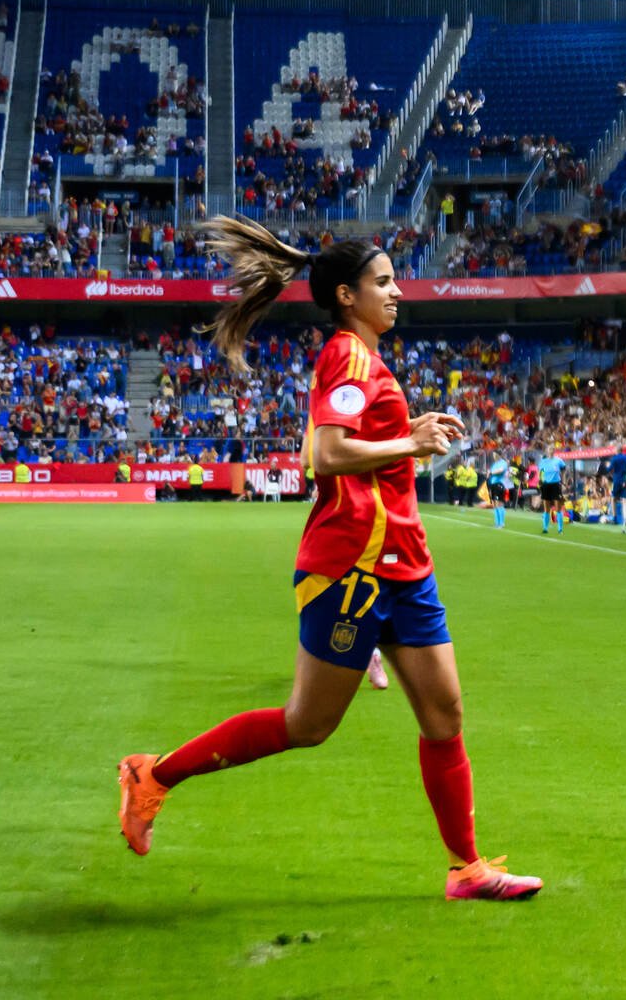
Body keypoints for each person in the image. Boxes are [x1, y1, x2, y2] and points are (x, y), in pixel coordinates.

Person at [116, 216, 540, 901]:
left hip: (405, 566)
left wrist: (406, 431)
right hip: (351, 568)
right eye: (384, 282)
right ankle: (153, 774)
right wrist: (412, 443)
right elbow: (327, 453)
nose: (397, 292)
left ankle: (467, 869)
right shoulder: (347, 356)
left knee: (445, 717)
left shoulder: (366, 360)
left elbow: (358, 445)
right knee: (306, 725)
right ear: (347, 296)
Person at [538, 448, 566, 535]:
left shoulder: (558, 461)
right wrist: (541, 482)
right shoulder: (543, 461)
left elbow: (564, 470)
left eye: (552, 449)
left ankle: (560, 529)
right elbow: (541, 473)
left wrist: (563, 482)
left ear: (554, 451)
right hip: (546, 485)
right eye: (549, 449)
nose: (551, 451)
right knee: (546, 508)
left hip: (555, 485)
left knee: (558, 507)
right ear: (547, 451)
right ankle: (545, 528)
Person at [488, 453, 512, 528]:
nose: (493, 456)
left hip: (499, 484)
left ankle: (501, 523)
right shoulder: (495, 464)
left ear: (499, 455)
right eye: (493, 455)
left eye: (495, 454)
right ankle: (497, 522)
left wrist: (491, 472)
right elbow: (490, 472)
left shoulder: (503, 462)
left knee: (499, 503)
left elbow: (500, 470)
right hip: (493, 484)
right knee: (495, 504)